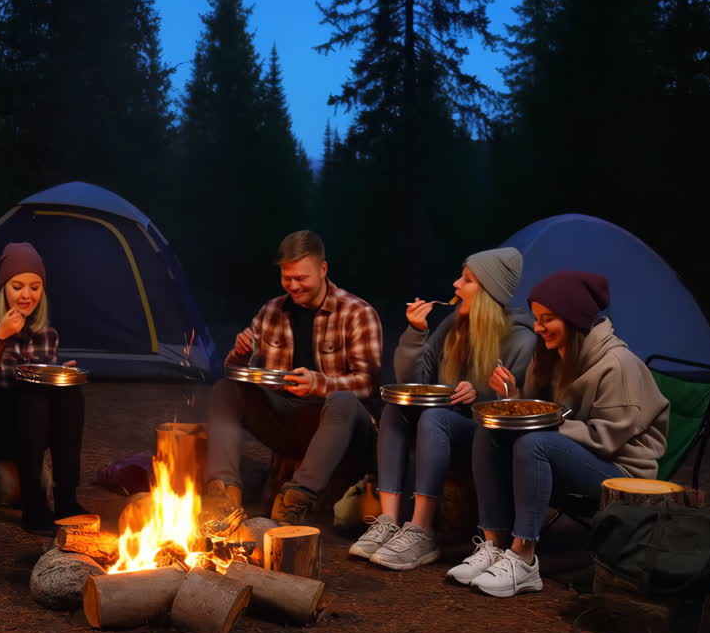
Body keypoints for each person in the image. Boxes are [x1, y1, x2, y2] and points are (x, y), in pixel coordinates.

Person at [452, 270, 669, 597]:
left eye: (548, 319)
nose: (538, 327)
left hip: (621, 473)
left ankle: (524, 559)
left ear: (574, 318)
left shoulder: (618, 364)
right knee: (491, 429)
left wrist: (542, 422)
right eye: (537, 318)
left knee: (535, 443)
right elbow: (537, 412)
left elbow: (606, 439)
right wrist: (512, 398)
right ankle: (493, 545)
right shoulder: (551, 355)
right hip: (570, 455)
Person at [351, 248, 537, 570]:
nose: (455, 285)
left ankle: (421, 529)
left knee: (435, 417)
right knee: (395, 408)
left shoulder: (521, 340)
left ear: (489, 292)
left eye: (467, 280)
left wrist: (480, 396)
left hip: (482, 440)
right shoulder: (454, 325)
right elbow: (413, 382)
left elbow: (519, 411)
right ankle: (388, 520)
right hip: (439, 431)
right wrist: (415, 333)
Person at [204, 231, 383, 526]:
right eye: (287, 278)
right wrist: (240, 355)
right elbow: (244, 375)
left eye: (301, 278)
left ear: (323, 269)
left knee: (341, 400)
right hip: (288, 420)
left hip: (343, 426)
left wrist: (318, 384)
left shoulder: (357, 313)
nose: (294, 286)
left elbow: (367, 384)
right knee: (226, 389)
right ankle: (223, 493)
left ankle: (295, 499)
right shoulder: (272, 311)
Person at [0, 242, 86, 535]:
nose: (26, 295)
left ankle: (67, 500)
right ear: (4, 288)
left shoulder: (47, 334)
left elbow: (47, 398)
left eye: (34, 287)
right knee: (28, 395)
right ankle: (33, 507)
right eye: (17, 286)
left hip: (25, 431)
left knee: (69, 393)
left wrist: (58, 376)